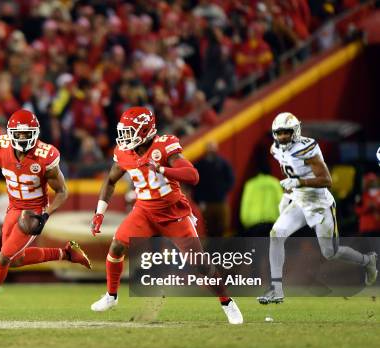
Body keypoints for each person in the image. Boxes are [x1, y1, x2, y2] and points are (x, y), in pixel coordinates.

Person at [89, 106, 243, 324]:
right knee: (116, 246)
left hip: (173, 213)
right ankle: (111, 296)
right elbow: (110, 180)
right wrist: (99, 212)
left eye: (129, 131)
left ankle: (227, 302)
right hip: (144, 211)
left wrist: (162, 169)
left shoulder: (163, 146)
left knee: (201, 264)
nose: (124, 137)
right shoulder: (124, 152)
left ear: (144, 131)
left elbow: (192, 175)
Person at [0, 109, 91, 323]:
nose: (22, 138)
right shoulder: (0, 148)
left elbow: (63, 191)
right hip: (13, 208)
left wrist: (46, 215)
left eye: (27, 133)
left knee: (2, 259)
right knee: (15, 260)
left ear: (36, 133)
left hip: (32, 212)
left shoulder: (45, 155)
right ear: (10, 134)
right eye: (18, 134)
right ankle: (66, 253)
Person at [257, 112, 377, 304]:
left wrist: (298, 182)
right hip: (298, 200)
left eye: (286, 133)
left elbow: (327, 180)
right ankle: (277, 290)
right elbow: (291, 170)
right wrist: (288, 195)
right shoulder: (275, 149)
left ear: (295, 132)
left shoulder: (307, 149)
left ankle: (367, 261)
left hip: (319, 204)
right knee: (276, 233)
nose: (282, 137)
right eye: (278, 133)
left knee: (330, 252)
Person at [193, 141, 235, 236]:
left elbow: (231, 180)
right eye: (209, 148)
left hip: (220, 202)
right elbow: (194, 184)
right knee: (209, 230)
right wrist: (199, 200)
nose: (211, 151)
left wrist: (222, 192)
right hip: (206, 204)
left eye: (213, 148)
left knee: (223, 228)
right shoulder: (199, 165)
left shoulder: (223, 164)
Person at [239, 163, 283, 237]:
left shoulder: (250, 184)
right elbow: (282, 203)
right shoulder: (275, 183)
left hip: (253, 224)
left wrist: (245, 222)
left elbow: (245, 205)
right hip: (272, 223)